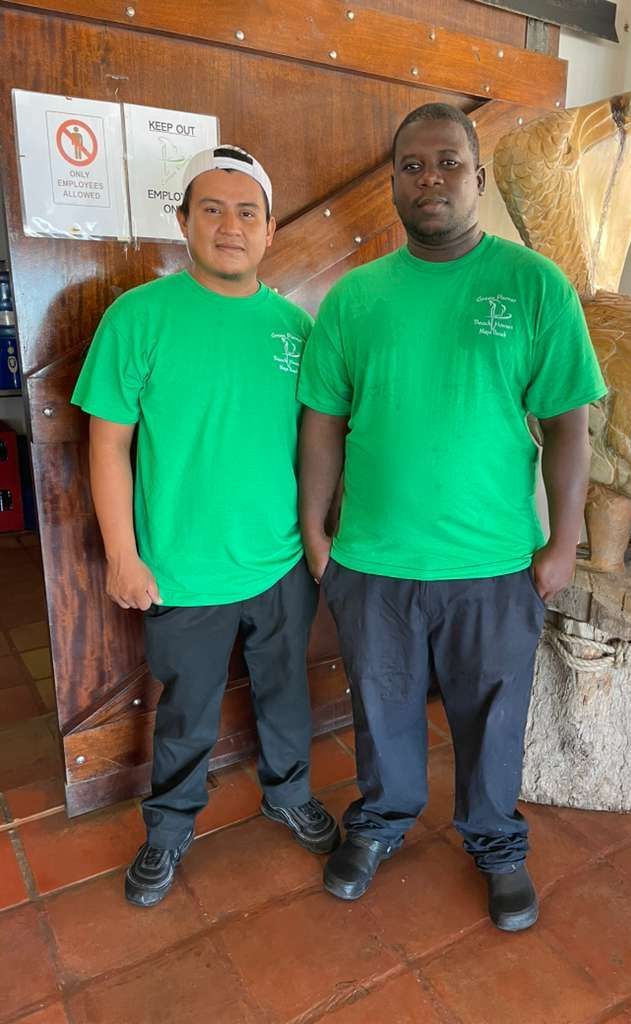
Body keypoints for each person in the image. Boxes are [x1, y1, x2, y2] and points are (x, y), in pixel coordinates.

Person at [298, 105, 606, 932]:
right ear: (393, 181)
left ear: (477, 176)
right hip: (373, 560)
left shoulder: (533, 286)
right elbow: (323, 422)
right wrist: (315, 534)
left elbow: (569, 426)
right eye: (410, 165)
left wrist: (563, 544)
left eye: (446, 163)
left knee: (494, 716)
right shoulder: (355, 299)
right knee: (382, 707)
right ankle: (382, 821)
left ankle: (497, 845)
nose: (428, 179)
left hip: (494, 563)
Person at [72, 145, 339, 908]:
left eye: (247, 211)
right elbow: (108, 444)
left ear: (271, 227)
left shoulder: (295, 326)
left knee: (285, 694)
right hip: (182, 569)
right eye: (212, 210)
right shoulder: (139, 317)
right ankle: (168, 831)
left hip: (282, 564)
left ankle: (288, 795)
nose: (231, 225)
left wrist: (319, 538)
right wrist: (123, 555)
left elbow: (320, 444)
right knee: (185, 713)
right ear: (182, 221)